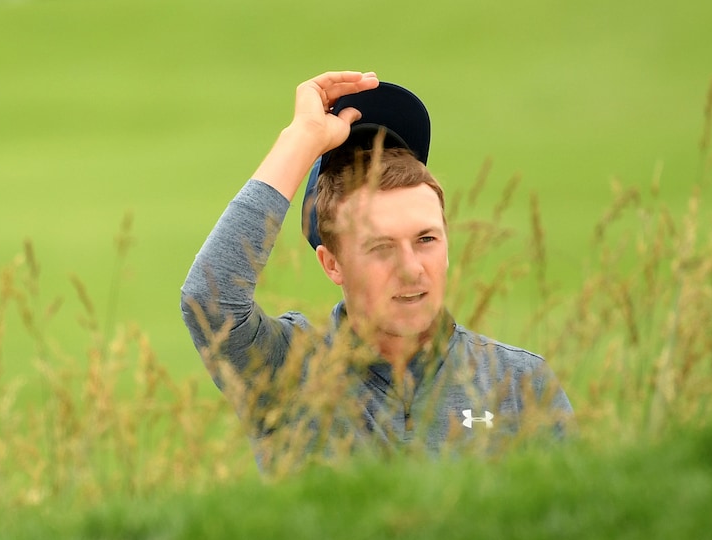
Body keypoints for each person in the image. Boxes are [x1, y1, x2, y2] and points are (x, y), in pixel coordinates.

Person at [181, 71, 572, 468]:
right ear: (332, 264)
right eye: (381, 247)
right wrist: (302, 138)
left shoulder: (518, 381)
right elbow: (209, 300)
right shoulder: (292, 372)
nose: (410, 269)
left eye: (426, 240)